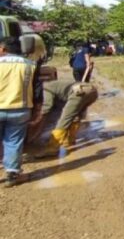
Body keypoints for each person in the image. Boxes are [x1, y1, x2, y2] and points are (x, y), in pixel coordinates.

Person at [0, 37, 42, 187]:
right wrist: (37, 110)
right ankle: (12, 175)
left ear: (3, 49)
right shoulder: (31, 65)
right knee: (14, 142)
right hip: (20, 110)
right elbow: (37, 90)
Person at [34, 80, 99, 158]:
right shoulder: (52, 84)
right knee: (75, 116)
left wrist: (37, 121)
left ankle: (52, 148)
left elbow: (47, 107)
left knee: (64, 120)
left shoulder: (46, 88)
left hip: (79, 92)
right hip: (92, 91)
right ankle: (70, 140)